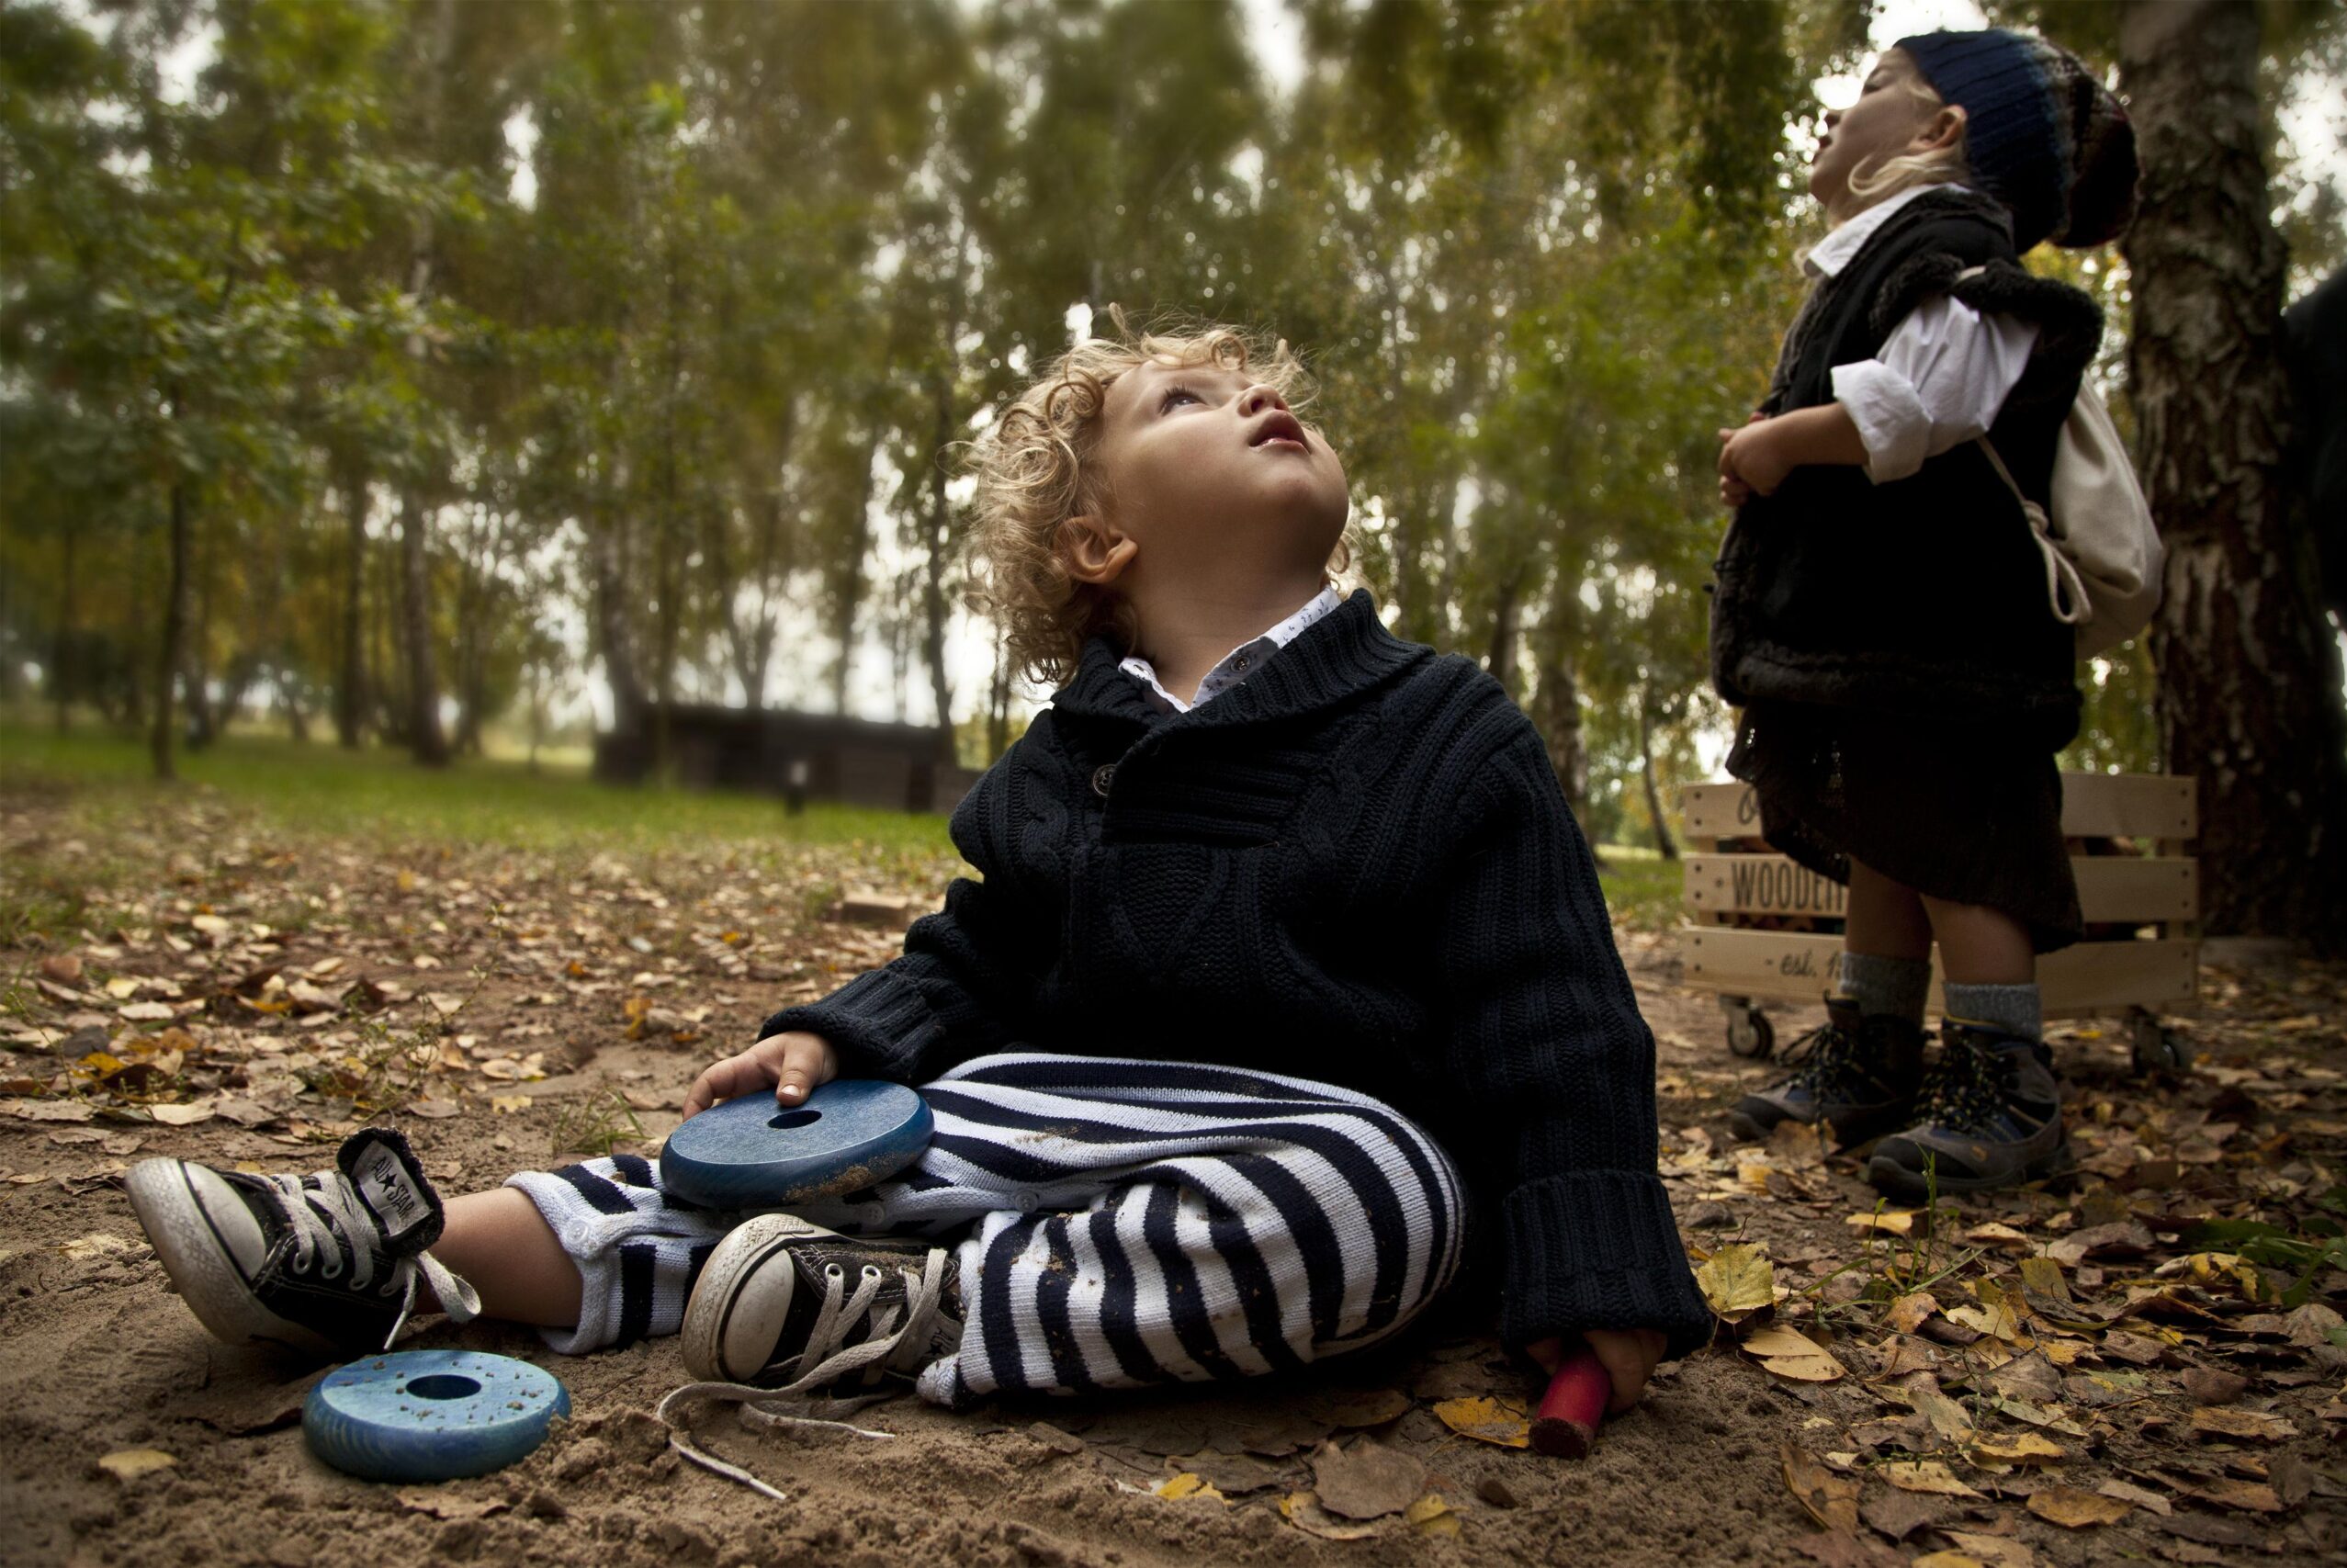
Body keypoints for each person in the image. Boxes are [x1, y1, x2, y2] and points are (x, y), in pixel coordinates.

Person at [125, 315, 1710, 1438]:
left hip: (1293, 1152)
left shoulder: (1448, 730)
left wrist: (1596, 1263)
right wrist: (838, 1042)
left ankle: (919, 1314)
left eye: (1266, 388)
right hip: (1028, 1117)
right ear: (1099, 544)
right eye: (1190, 398)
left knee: (1385, 1200)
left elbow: (1553, 1017)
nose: (1257, 399)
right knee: (768, 1165)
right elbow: (976, 951)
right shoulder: (1068, 757)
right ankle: (400, 1255)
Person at [1709, 30, 2138, 1198]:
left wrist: (1777, 442)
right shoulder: (1869, 260)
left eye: (1867, 95)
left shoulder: (1951, 247)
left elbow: (1921, 407)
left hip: (1948, 635)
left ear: (1941, 131)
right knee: (1887, 846)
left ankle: (2008, 1085)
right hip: (1880, 636)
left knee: (1960, 850)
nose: (1836, 119)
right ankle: (1872, 1055)